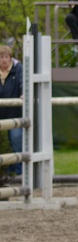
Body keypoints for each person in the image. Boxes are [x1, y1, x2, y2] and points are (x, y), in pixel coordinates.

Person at [0, 45, 24, 175]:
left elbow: (23, 83)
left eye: (6, 57)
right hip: (1, 113)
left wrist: (23, 93)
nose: (3, 60)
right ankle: (6, 171)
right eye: (1, 57)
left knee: (16, 140)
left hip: (15, 113)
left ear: (10, 58)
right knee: (3, 144)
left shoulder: (18, 69)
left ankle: (19, 171)